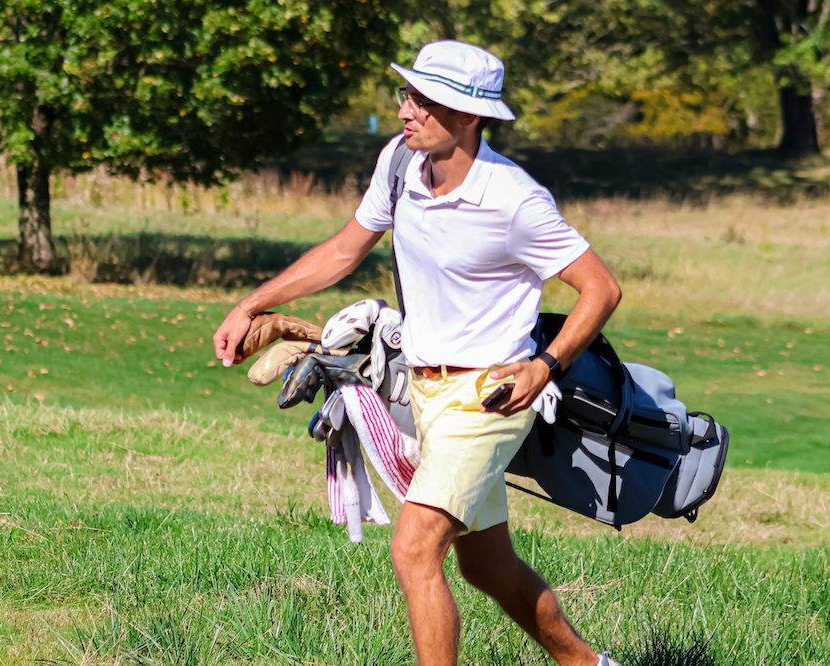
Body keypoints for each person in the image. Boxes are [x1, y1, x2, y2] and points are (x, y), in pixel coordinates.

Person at [213, 40, 622, 666]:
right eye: (407, 95)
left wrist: (546, 366)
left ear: (468, 115)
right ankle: (589, 664)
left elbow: (601, 288)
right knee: (489, 568)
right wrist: (252, 304)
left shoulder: (513, 199)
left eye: (424, 101)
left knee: (414, 548)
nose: (406, 111)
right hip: (424, 390)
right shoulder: (401, 163)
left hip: (491, 398)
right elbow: (346, 249)